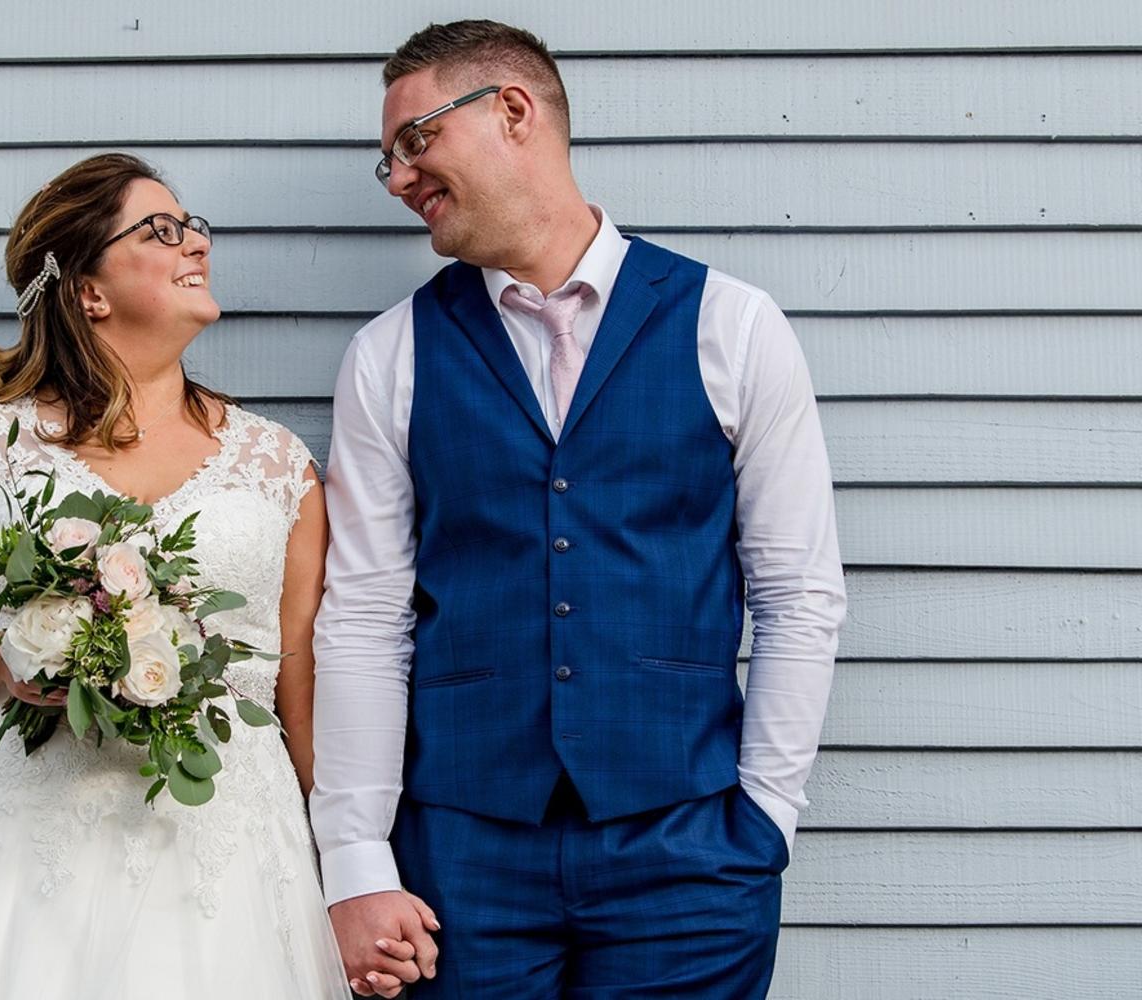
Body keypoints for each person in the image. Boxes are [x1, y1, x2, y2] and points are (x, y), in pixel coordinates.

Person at [311, 20, 848, 999]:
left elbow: (797, 588)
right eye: (384, 159)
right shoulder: (390, 354)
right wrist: (353, 857)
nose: (397, 177)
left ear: (512, 111)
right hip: (457, 858)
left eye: (414, 140)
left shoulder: (730, 323)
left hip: (688, 848)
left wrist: (764, 812)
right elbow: (361, 615)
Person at [0, 153, 349, 998]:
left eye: (193, 225)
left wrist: (347, 867)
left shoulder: (278, 466)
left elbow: (298, 678)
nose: (195, 242)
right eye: (161, 230)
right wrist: (3, 656)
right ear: (90, 289)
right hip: (8, 859)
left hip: (218, 855)